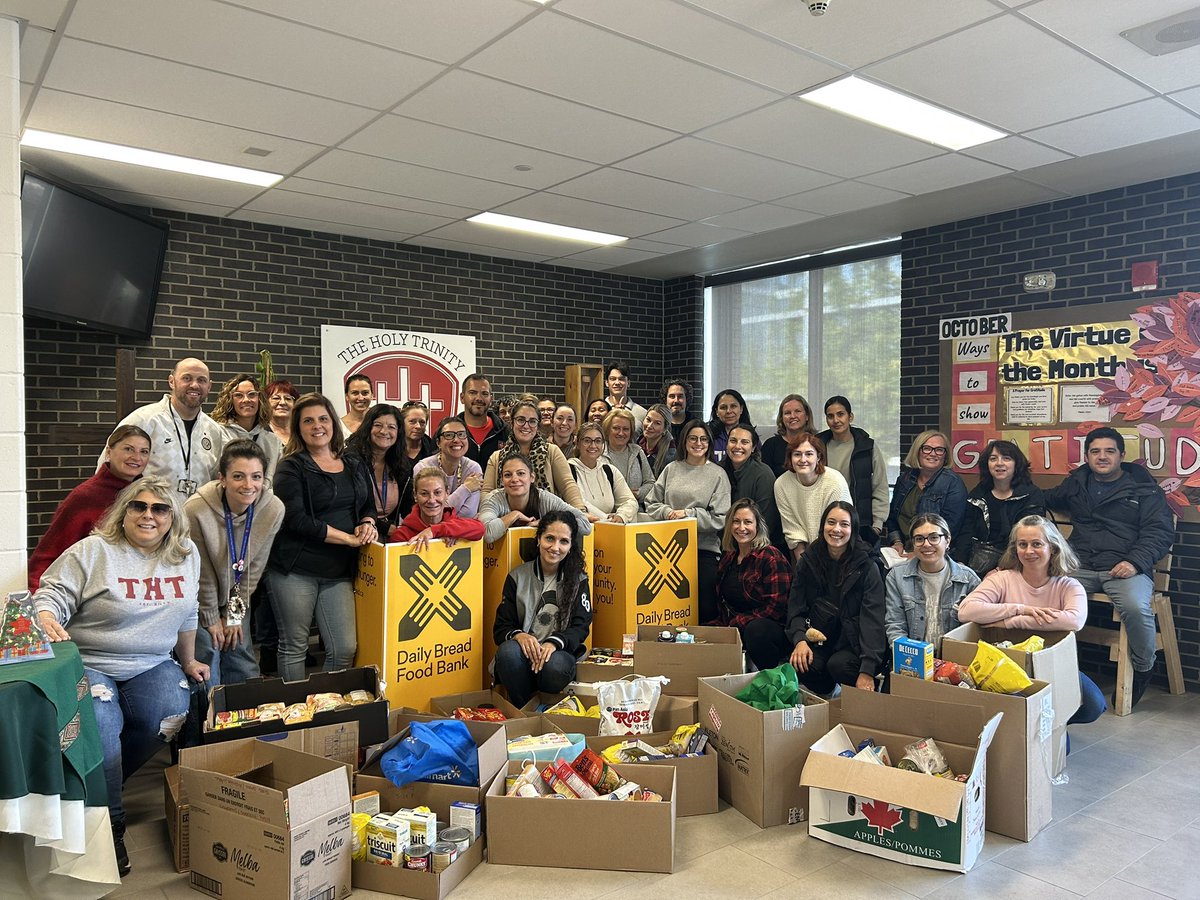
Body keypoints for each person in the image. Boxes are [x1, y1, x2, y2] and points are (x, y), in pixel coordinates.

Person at [34, 477, 206, 876]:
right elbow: (52, 593)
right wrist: (45, 615)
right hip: (90, 661)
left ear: (172, 518)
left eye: (159, 509)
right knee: (102, 731)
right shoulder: (94, 551)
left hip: (150, 661)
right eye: (138, 506)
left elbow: (189, 611)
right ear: (123, 511)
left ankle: (96, 784)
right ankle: (110, 826)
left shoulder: (185, 554)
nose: (148, 515)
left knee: (167, 715)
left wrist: (189, 660)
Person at [1043, 427, 1174, 709]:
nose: (1102, 457)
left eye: (1109, 451)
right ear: (1087, 456)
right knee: (1042, 595)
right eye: (1095, 451)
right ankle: (1046, 669)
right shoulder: (1077, 483)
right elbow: (1043, 499)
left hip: (1125, 567)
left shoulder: (1144, 490)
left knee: (1136, 608)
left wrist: (1134, 562)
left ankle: (1142, 669)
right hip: (1082, 566)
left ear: (1122, 456)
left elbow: (1159, 532)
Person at [267, 393, 377, 682]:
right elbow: (296, 519)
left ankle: (322, 706)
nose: (317, 426)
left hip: (338, 570)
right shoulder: (290, 466)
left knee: (344, 648)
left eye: (323, 419)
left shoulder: (353, 463)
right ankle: (296, 715)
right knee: (295, 647)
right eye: (308, 421)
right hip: (296, 568)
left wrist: (367, 523)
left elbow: (368, 505)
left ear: (333, 423)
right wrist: (348, 539)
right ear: (298, 428)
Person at [957, 515, 1106, 726]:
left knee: (1094, 705)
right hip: (1008, 663)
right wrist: (1020, 609)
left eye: (1037, 544)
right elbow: (966, 611)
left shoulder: (1069, 586)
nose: (1029, 551)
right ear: (1015, 549)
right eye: (1022, 544)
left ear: (1052, 548)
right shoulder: (1002, 578)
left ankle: (1054, 724)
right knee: (1037, 726)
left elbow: (1074, 620)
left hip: (1052, 663)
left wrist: (1011, 622)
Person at [184, 439, 284, 685]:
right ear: (222, 478)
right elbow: (201, 572)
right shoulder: (196, 509)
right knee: (209, 651)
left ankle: (247, 716)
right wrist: (210, 617)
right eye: (238, 476)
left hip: (236, 596)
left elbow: (253, 569)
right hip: (197, 598)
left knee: (240, 651)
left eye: (256, 477)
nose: (249, 485)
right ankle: (208, 715)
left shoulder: (273, 509)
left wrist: (233, 616)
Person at [28, 424, 151, 591]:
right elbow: (49, 553)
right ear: (108, 452)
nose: (137, 457)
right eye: (128, 449)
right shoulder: (84, 497)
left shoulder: (149, 497)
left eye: (144, 451)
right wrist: (38, 597)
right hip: (91, 589)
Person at [492, 511, 593, 708]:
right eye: (549, 538)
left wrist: (554, 643)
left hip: (557, 655)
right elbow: (501, 627)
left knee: (555, 666)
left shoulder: (579, 579)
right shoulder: (517, 576)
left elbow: (581, 626)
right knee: (507, 654)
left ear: (571, 546)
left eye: (564, 541)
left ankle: (544, 705)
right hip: (524, 654)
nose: (555, 547)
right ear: (538, 539)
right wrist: (520, 636)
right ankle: (527, 710)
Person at [786, 501, 887, 695]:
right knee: (800, 663)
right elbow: (796, 606)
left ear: (853, 529)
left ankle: (861, 690)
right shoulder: (809, 560)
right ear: (823, 525)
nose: (836, 529)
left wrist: (867, 669)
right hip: (820, 636)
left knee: (839, 665)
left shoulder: (867, 566)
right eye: (831, 522)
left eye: (844, 524)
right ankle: (826, 691)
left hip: (854, 642)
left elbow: (872, 620)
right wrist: (799, 640)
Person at [646, 419, 731, 623]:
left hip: (703, 550)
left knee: (705, 607)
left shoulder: (718, 474)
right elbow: (651, 503)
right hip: (666, 550)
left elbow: (719, 519)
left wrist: (688, 514)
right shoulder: (671, 469)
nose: (698, 443)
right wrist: (667, 512)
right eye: (693, 438)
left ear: (709, 443)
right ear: (684, 441)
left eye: (703, 439)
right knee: (667, 607)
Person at [101, 357, 225, 497]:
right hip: (151, 515)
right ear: (172, 381)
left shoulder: (214, 431)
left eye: (201, 380)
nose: (194, 385)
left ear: (209, 386)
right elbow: (106, 467)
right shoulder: (143, 420)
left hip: (197, 516)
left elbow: (221, 480)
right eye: (187, 378)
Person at [713, 499, 792, 671]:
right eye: (736, 521)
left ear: (758, 526)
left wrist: (739, 623)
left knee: (755, 630)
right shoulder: (728, 558)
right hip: (737, 626)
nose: (741, 528)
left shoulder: (770, 556)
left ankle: (772, 674)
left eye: (748, 522)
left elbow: (777, 608)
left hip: (770, 630)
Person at [884, 513, 980, 649]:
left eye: (934, 538)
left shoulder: (969, 580)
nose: (926, 544)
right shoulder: (897, 576)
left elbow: (973, 630)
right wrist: (909, 656)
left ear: (947, 540)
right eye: (919, 539)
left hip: (954, 659)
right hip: (912, 658)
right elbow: (895, 625)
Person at [953, 439, 1045, 577]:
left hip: (1019, 563)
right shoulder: (977, 495)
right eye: (993, 459)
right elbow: (966, 532)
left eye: (1006, 458)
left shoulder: (1031, 495)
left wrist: (999, 569)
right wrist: (960, 564)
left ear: (1016, 464)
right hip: (978, 561)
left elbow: (1027, 539)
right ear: (987, 465)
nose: (999, 463)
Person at [482, 400, 585, 509]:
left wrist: (581, 510)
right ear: (512, 423)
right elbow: (487, 492)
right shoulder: (496, 457)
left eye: (532, 421)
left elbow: (567, 485)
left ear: (538, 425)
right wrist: (485, 512)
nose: (526, 426)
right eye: (520, 420)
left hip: (545, 519)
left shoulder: (552, 451)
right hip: (506, 519)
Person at [818, 396, 889, 542]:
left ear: (850, 417)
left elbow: (880, 486)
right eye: (830, 416)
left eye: (840, 414)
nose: (836, 420)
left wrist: (877, 524)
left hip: (861, 524)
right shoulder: (818, 446)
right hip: (827, 524)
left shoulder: (868, 447)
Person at [885, 429, 967, 556]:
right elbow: (892, 518)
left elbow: (949, 529)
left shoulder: (953, 483)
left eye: (939, 450)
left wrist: (919, 553)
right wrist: (897, 542)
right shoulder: (904, 480)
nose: (933, 454)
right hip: (902, 552)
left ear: (945, 455)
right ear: (917, 451)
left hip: (936, 554)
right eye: (927, 448)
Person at [477, 453, 592, 543]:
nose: (514, 479)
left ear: (532, 477)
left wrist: (546, 522)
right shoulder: (492, 499)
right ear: (502, 481)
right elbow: (486, 533)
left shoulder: (545, 499)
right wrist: (514, 514)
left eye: (521, 473)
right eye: (508, 475)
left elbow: (585, 526)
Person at [774, 434, 852, 563]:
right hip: (802, 553)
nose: (802, 459)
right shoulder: (781, 484)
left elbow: (839, 527)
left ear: (819, 457)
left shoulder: (835, 481)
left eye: (809, 454)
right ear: (790, 457)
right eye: (797, 454)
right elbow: (792, 529)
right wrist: (805, 565)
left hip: (838, 550)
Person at [343, 403, 409, 533]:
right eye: (378, 425)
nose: (384, 431)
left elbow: (407, 506)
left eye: (391, 427)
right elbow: (349, 507)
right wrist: (386, 529)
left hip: (390, 535)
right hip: (355, 533)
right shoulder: (351, 460)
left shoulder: (400, 463)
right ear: (368, 427)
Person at [210, 373, 283, 481]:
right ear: (230, 400)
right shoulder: (218, 434)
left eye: (252, 394)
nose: (246, 400)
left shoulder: (273, 442)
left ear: (260, 399)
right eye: (239, 395)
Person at [722, 423, 783, 550]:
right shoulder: (718, 470)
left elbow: (766, 522)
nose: (738, 446)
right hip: (724, 544)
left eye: (744, 442)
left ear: (753, 447)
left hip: (757, 547)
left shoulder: (763, 474)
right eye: (733, 441)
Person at [392, 468, 485, 547]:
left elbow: (480, 529)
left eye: (437, 493)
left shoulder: (456, 526)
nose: (432, 500)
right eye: (424, 494)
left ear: (447, 493)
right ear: (415, 496)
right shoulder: (401, 536)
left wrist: (434, 530)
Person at [413, 418, 484, 518]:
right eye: (449, 435)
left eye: (461, 434)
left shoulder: (473, 468)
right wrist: (466, 488)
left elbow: (468, 514)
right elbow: (430, 512)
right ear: (438, 443)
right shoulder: (423, 468)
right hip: (428, 531)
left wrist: (444, 508)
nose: (456, 440)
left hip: (463, 532)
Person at [569, 422, 638, 523]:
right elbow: (579, 503)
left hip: (610, 529)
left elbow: (629, 501)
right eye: (587, 441)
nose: (593, 445)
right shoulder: (568, 469)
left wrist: (621, 516)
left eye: (598, 441)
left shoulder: (610, 471)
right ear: (578, 443)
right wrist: (606, 518)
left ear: (603, 444)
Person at [455, 374, 508, 467]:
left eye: (484, 394)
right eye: (472, 392)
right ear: (462, 398)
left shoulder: (505, 432)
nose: (479, 398)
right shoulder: (448, 432)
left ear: (491, 399)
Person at [602, 407, 653, 500]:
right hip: (605, 511)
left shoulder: (637, 452)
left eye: (625, 429)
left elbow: (650, 483)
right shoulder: (598, 453)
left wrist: (638, 493)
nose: (621, 433)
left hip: (635, 510)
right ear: (608, 429)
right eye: (616, 428)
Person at [762, 394, 817, 478]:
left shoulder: (817, 443)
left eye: (797, 411)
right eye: (787, 413)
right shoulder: (770, 445)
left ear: (807, 416)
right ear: (781, 419)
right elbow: (764, 478)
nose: (793, 416)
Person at [638, 403, 676, 502]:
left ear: (664, 429)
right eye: (648, 420)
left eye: (657, 423)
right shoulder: (636, 445)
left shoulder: (671, 455)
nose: (650, 426)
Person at [707, 388, 753, 461]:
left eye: (733, 406)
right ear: (717, 412)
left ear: (741, 409)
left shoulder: (751, 436)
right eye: (723, 407)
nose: (728, 411)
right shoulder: (707, 435)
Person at [604, 362, 647, 434]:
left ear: (628, 383)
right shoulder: (600, 411)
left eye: (621, 379)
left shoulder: (642, 413)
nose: (617, 382)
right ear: (607, 383)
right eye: (613, 379)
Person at [399, 400, 437, 468]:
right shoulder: (391, 449)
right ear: (402, 423)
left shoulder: (434, 450)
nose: (418, 426)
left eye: (422, 422)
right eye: (412, 421)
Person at [265, 379, 300, 444]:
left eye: (288, 398)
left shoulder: (302, 433)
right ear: (266, 403)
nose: (282, 403)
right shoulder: (260, 434)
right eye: (276, 398)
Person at [661, 378, 693, 446]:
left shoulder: (695, 425)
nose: (676, 400)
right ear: (665, 399)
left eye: (680, 396)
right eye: (672, 396)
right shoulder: (659, 425)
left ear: (686, 399)